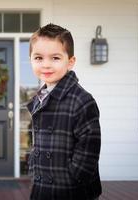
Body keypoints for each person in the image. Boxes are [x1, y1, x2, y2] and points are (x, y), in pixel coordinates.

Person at [26, 23, 102, 200]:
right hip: (42, 186)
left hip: (71, 190)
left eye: (55, 58)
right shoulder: (41, 97)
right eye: (38, 58)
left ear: (70, 62)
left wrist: (73, 177)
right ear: (31, 59)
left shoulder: (82, 100)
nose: (46, 65)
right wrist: (33, 166)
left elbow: (88, 151)